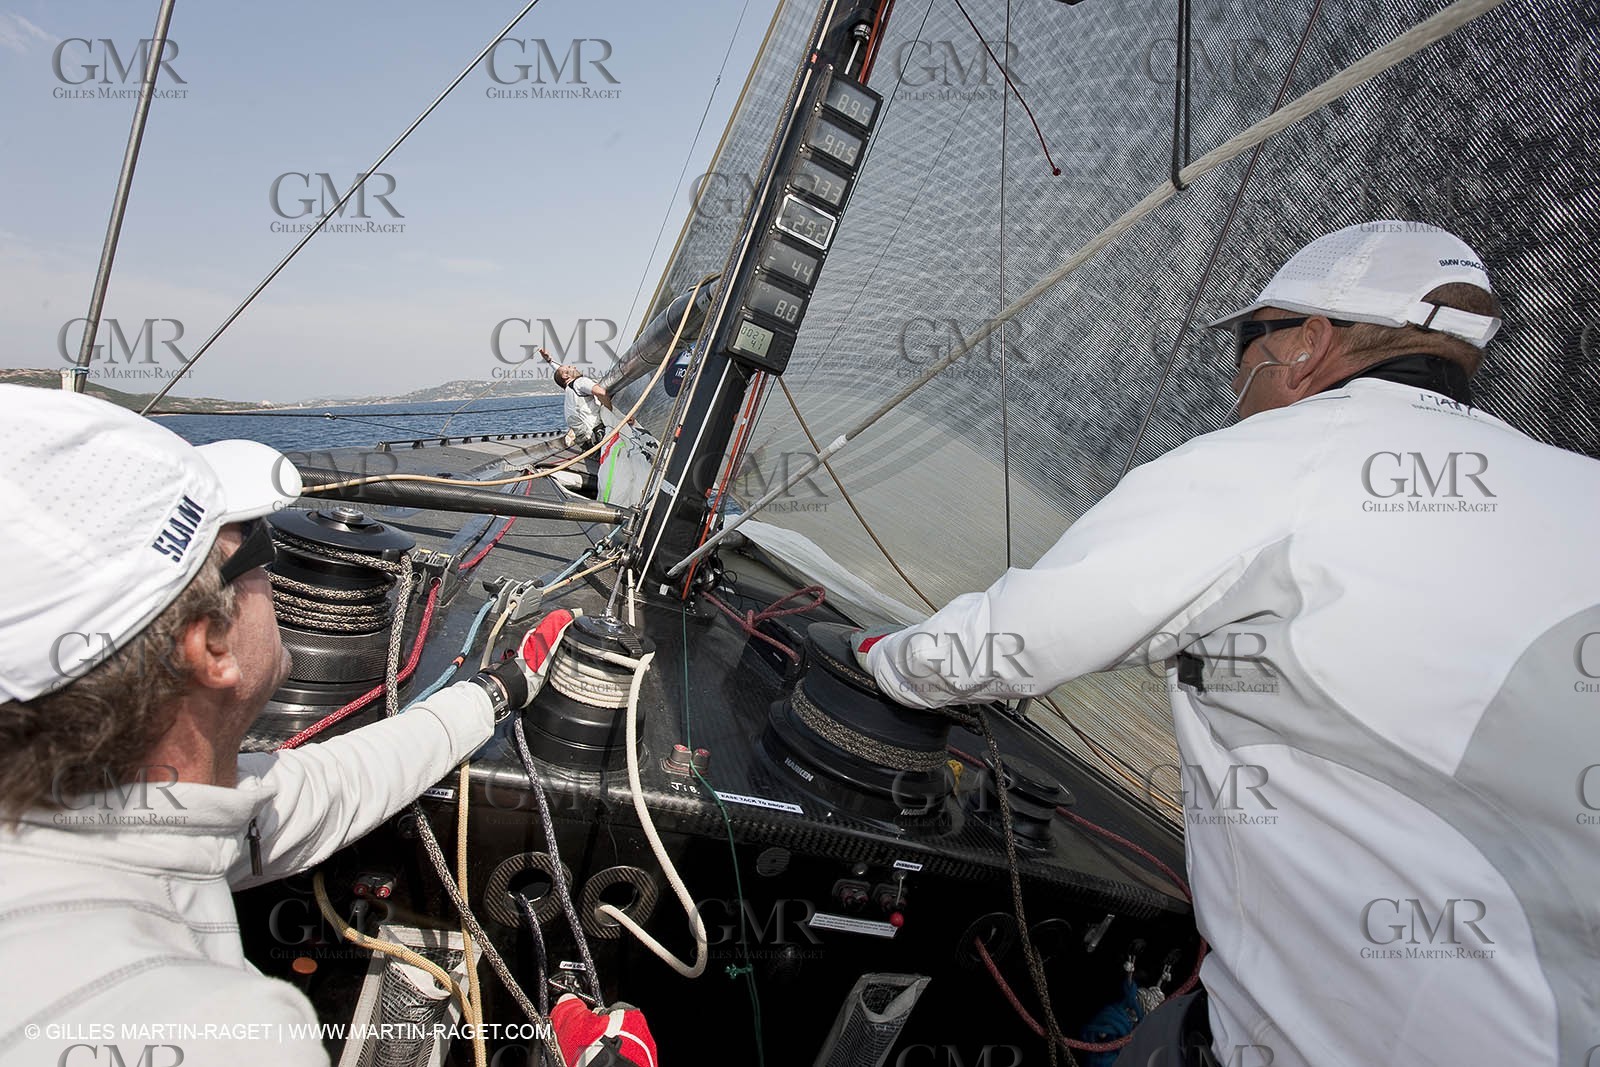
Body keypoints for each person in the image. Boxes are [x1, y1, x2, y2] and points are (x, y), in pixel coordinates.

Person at [853, 222, 1599, 1066]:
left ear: (1307, 344)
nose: (1236, 371)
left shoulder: (1280, 460)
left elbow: (1009, 641)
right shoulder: (1582, 491)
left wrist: (879, 659)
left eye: (1250, 339)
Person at [0, 386, 648, 1066]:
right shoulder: (222, 1035)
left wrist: (497, 689)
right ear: (210, 645)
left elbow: (327, 786)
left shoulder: (94, 808)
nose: (275, 565)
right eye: (255, 543)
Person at [539, 347, 613, 448]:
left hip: (586, 442)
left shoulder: (570, 390)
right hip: (598, 436)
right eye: (570, 367)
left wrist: (550, 361)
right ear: (566, 376)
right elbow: (601, 393)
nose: (574, 367)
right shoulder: (579, 382)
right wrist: (612, 413)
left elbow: (560, 374)